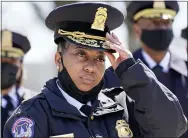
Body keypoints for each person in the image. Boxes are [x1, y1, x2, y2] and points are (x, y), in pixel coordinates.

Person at [3, 2, 187, 138]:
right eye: (81, 55)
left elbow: (171, 129)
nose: (91, 67)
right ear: (59, 60)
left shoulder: (124, 106)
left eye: (99, 58)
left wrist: (129, 68)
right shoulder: (32, 116)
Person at [104, 1, 188, 137]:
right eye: (154, 23)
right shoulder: (116, 75)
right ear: (137, 30)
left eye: (166, 23)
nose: (162, 28)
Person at [1, 29, 37, 137]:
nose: (5, 66)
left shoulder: (36, 102)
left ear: (20, 65)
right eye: (0, 59)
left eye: (12, 60)